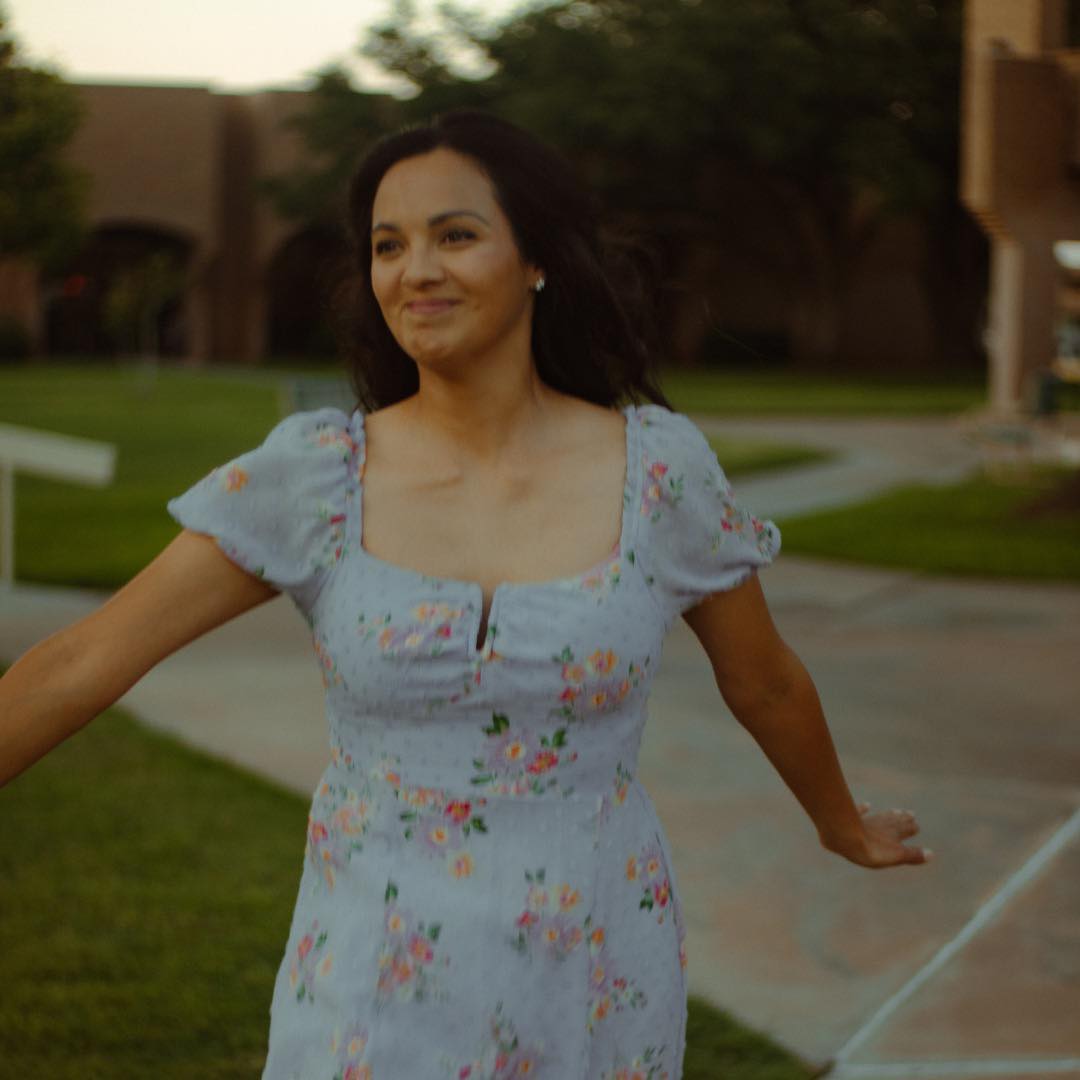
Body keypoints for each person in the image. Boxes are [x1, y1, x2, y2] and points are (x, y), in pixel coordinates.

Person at [0, 110, 929, 1079]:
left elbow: (765, 681)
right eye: (388, 246)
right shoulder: (316, 477)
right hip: (368, 978)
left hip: (595, 967)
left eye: (455, 235)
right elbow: (84, 661)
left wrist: (841, 822)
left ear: (536, 259)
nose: (416, 271)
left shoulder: (658, 472)